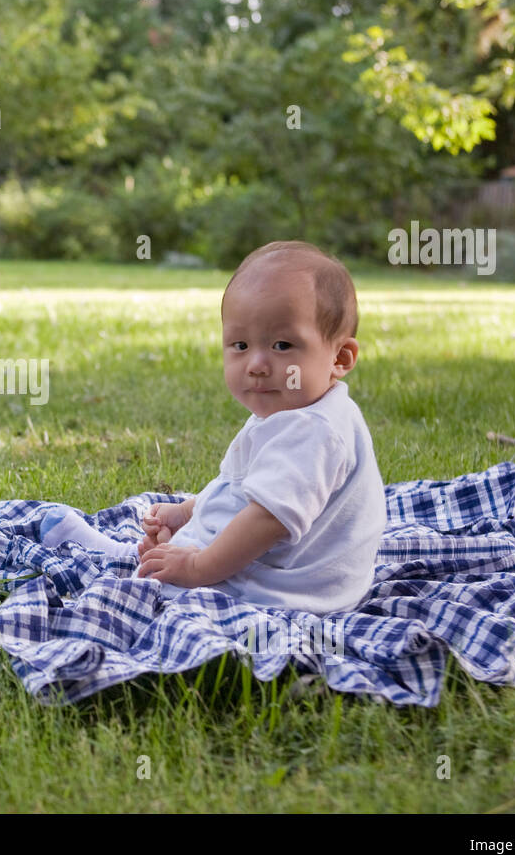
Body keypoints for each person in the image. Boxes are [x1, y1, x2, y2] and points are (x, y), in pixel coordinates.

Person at [39, 240, 386, 614]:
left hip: (277, 592)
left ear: (340, 357)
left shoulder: (313, 432)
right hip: (300, 579)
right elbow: (241, 486)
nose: (256, 363)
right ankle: (159, 556)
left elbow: (265, 520)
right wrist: (188, 511)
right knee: (181, 551)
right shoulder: (299, 408)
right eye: (240, 344)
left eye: (282, 345)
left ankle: (123, 566)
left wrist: (195, 567)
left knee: (148, 596)